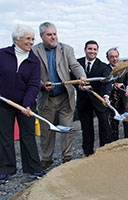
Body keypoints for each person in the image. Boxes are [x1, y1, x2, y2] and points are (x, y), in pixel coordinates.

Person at [32, 22, 86, 169]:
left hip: (65, 96)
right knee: (46, 130)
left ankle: (67, 156)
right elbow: (31, 74)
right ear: (42, 36)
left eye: (54, 34)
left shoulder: (66, 49)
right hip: (46, 98)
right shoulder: (34, 51)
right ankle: (46, 158)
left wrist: (82, 77)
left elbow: (75, 65)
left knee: (67, 128)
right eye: (49, 34)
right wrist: (42, 84)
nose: (53, 37)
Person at [0, 24, 43, 184]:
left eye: (32, 39)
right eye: (28, 38)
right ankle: (6, 169)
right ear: (17, 39)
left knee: (28, 135)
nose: (31, 42)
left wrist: (27, 104)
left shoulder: (34, 61)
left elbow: (33, 85)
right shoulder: (2, 55)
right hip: (3, 103)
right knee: (5, 136)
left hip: (26, 104)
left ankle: (33, 168)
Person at [76, 40, 113, 156]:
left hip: (99, 100)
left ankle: (104, 151)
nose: (92, 51)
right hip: (83, 101)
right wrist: (79, 86)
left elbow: (107, 82)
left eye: (94, 49)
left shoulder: (103, 66)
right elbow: (72, 78)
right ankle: (88, 153)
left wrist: (106, 96)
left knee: (104, 126)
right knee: (87, 129)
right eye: (90, 49)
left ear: (97, 51)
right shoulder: (77, 63)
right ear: (85, 49)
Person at [107, 48, 128, 140]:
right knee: (113, 125)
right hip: (111, 101)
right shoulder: (105, 69)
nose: (114, 59)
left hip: (124, 99)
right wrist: (112, 85)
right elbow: (103, 83)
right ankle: (114, 144)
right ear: (108, 59)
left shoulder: (126, 68)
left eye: (116, 56)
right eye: (111, 57)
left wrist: (127, 87)